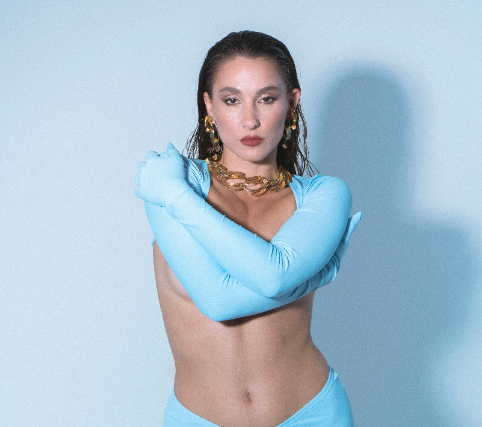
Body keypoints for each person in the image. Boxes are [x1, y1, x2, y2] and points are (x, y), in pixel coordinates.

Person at [135, 31, 361, 427]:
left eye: (267, 99)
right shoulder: (173, 179)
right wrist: (313, 278)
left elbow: (273, 277)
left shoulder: (322, 194)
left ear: (292, 103)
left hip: (312, 414)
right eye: (232, 100)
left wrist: (176, 198)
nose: (250, 120)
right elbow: (218, 302)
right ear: (209, 105)